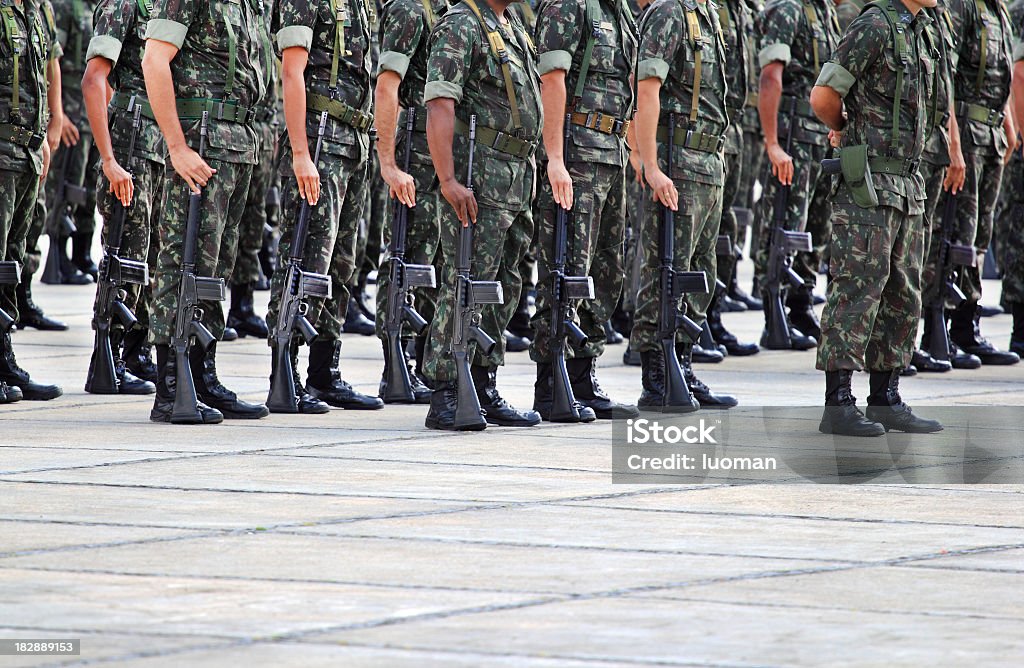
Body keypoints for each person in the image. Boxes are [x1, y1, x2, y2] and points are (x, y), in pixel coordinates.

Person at [811, 0, 944, 436]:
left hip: (907, 183)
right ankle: (839, 404)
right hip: (868, 182)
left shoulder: (924, 28)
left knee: (903, 292)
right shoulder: (873, 25)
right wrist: (847, 127)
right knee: (858, 286)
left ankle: (885, 397)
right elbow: (824, 95)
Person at [142, 0, 272, 423]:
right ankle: (172, 386)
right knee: (181, 262)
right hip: (200, 141)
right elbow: (154, 60)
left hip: (237, 147)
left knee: (217, 269)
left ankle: (202, 373)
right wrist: (177, 148)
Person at [422, 0, 543, 429]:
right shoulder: (461, 25)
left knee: (504, 283)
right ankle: (446, 389)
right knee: (465, 282)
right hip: (481, 175)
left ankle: (481, 381)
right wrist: (449, 180)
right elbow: (440, 104)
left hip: (515, 175)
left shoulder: (510, 24)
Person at [265, 0, 384, 414]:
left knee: (341, 265)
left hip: (354, 143)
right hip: (319, 141)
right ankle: (285, 370)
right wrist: (300, 153)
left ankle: (323, 372)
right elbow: (292, 71)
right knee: (305, 263)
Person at [525, 0, 640, 420]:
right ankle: (551, 380)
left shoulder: (619, 11)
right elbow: (551, 80)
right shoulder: (567, 6)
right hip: (577, 151)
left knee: (606, 271)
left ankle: (582, 373)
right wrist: (554, 159)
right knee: (566, 270)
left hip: (612, 153)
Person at [630, 0, 738, 410]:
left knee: (700, 271)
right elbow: (646, 90)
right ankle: (657, 377)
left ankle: (684, 366)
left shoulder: (706, 13)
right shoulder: (669, 12)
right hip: (679, 162)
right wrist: (652, 166)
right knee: (665, 270)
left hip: (709, 162)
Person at [81, 0, 168, 394]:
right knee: (124, 255)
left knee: (148, 255)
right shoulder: (123, 4)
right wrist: (109, 160)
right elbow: (93, 79)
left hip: (157, 144)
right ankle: (109, 356)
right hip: (130, 140)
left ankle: (135, 352)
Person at [373, 0, 449, 403]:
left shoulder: (447, 10)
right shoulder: (409, 9)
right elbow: (388, 84)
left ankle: (422, 361)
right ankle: (396, 364)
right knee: (408, 259)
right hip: (413, 151)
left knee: (433, 262)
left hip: (439, 148)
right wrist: (388, 163)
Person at [754, 0, 841, 348]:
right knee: (784, 227)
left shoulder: (825, 12)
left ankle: (800, 305)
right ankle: (772, 312)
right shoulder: (789, 9)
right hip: (793, 136)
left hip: (819, 137)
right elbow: (770, 77)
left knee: (817, 227)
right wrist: (773, 144)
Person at [939, 0, 1019, 365]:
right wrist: (953, 145)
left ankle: (967, 324)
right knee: (958, 231)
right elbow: (946, 77)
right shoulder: (963, 7)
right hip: (967, 134)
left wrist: (1008, 125)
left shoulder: (997, 9)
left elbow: (1001, 75)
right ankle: (945, 323)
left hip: (990, 136)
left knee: (979, 234)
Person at [0, 0, 64, 403]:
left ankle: (4, 358)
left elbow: (49, 64)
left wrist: (54, 122)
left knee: (10, 261)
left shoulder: (38, 7)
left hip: (26, 150)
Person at [707, 0, 761, 357]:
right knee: (698, 242)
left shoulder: (735, 10)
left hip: (730, 133)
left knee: (725, 229)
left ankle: (711, 316)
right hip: (697, 138)